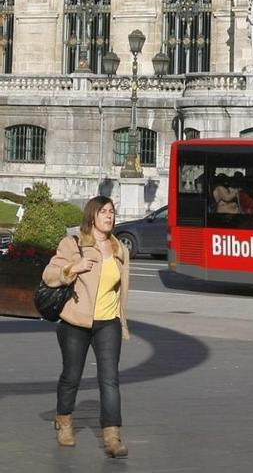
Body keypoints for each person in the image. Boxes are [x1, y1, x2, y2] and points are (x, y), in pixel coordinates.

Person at [42, 196, 131, 458]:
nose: (109, 216)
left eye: (112, 212)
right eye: (103, 211)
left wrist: (120, 320)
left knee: (110, 379)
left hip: (108, 323)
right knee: (72, 376)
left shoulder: (119, 250)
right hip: (75, 322)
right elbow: (49, 274)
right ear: (92, 215)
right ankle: (65, 420)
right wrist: (73, 268)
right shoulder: (73, 244)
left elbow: (121, 290)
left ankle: (112, 435)